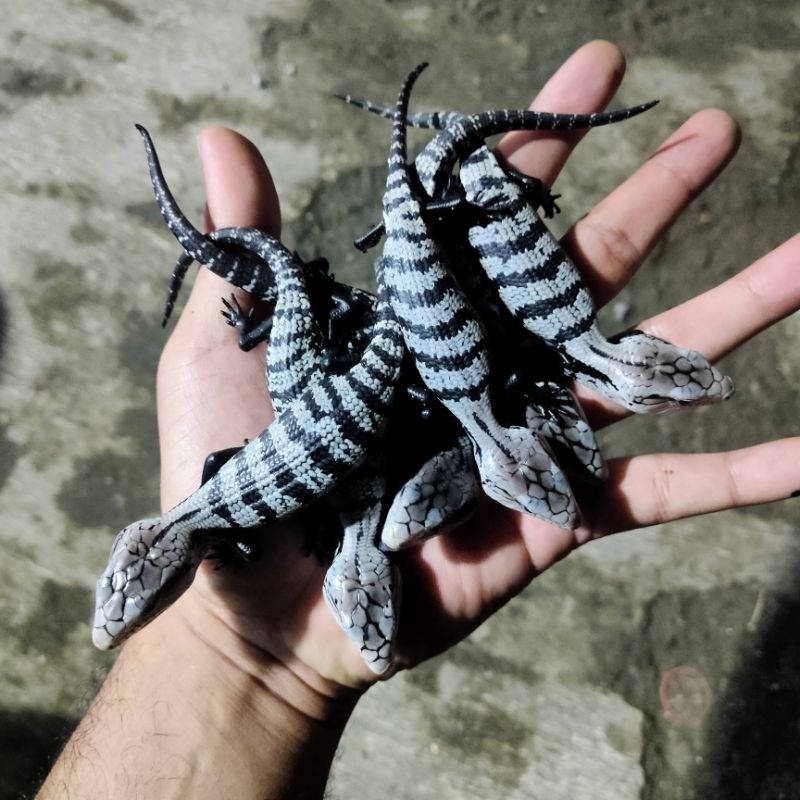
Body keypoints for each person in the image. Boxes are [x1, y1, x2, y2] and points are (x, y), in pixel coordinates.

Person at [37, 40, 800, 799]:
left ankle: (424, 187)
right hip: (387, 387)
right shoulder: (268, 505)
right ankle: (420, 191)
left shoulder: (314, 496)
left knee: (416, 265)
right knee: (413, 270)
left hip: (394, 385)